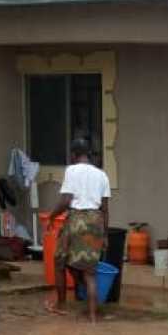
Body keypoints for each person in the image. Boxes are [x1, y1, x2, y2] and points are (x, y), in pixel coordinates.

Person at [48, 138, 111, 322]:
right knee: (90, 273)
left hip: (76, 220)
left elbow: (66, 200)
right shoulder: (102, 175)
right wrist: (105, 235)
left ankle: (61, 305)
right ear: (88, 155)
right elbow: (105, 209)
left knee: (59, 261)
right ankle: (92, 316)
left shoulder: (71, 170)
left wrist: (52, 215)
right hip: (96, 222)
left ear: (74, 155)